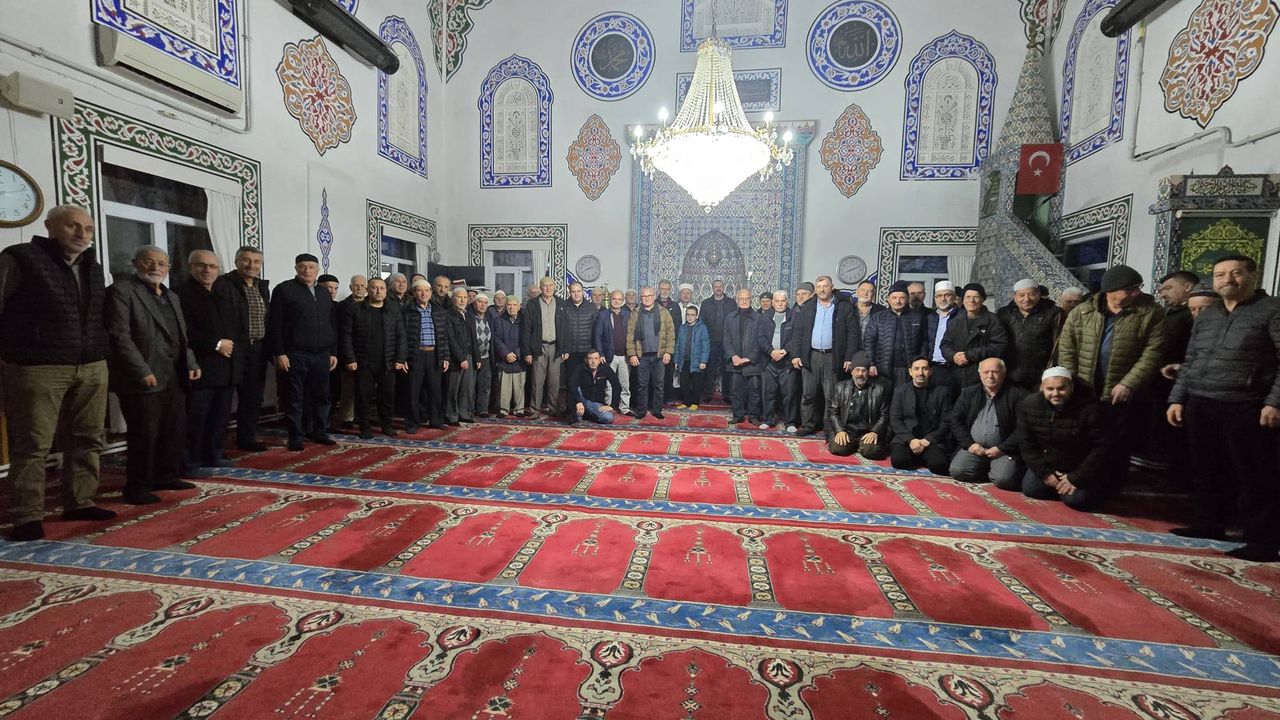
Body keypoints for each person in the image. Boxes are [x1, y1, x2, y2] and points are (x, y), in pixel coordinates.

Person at [0, 205, 117, 540]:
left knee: (88, 437)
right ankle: (27, 516)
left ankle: (80, 501)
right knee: (33, 443)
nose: (82, 234)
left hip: (91, 364)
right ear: (50, 226)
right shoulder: (20, 258)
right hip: (39, 366)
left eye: (88, 228)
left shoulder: (93, 266)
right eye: (73, 226)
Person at [1168, 255, 1280, 562]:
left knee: (1255, 475)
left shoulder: (1272, 310)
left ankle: (1262, 540)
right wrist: (1177, 398)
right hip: (1201, 401)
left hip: (1247, 404)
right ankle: (1209, 523)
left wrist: (1274, 402)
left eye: (1236, 273)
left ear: (1253, 275)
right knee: (1206, 469)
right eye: (1220, 275)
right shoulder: (1209, 314)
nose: (1227, 279)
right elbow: (1192, 359)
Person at [106, 246, 200, 504]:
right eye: (148, 261)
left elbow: (181, 335)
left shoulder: (171, 296)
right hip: (142, 376)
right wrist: (141, 370)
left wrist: (191, 361)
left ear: (168, 268)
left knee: (173, 429)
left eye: (161, 263)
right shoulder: (122, 291)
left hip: (174, 374)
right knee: (144, 434)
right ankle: (137, 486)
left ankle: (166, 476)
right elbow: (119, 336)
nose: (155, 267)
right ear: (136, 263)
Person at [1058, 264, 1165, 483]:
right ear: (1110, 290)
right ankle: (1081, 481)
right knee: (1085, 438)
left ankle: (1111, 486)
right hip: (1086, 390)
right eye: (1130, 289)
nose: (1137, 293)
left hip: (1122, 392)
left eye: (1138, 287)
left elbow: (1153, 353)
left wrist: (1129, 384)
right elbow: (1067, 349)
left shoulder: (1150, 313)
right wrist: (1071, 383)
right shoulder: (1082, 312)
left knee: (1117, 443)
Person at [176, 250, 244, 475]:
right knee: (197, 417)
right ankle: (190, 460)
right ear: (190, 268)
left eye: (213, 266)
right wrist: (216, 344)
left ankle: (213, 454)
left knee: (219, 417)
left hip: (226, 368)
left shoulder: (220, 295)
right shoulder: (181, 296)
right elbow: (183, 332)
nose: (207, 270)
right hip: (200, 367)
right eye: (202, 265)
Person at [1015, 367, 1112, 511]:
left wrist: (1075, 478)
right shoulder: (1029, 405)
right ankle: (1061, 488)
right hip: (1050, 464)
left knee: (1077, 500)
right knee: (1032, 489)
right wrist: (1046, 473)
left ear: (1071, 387)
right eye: (1050, 389)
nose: (1055, 394)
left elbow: (1102, 447)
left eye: (1061, 389)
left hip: (1080, 467)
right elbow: (1026, 443)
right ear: (1042, 388)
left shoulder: (1090, 408)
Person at [269, 253, 339, 451]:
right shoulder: (284, 290)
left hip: (322, 354)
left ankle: (319, 431)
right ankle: (295, 436)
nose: (307, 270)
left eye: (311, 267)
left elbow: (331, 324)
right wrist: (280, 353)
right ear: (296, 268)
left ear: (318, 269)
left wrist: (333, 352)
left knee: (322, 396)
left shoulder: (324, 293)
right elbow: (275, 324)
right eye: (302, 266)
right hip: (295, 354)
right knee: (294, 397)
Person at [791, 276, 860, 436]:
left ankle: (829, 428)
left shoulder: (843, 307)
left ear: (832, 287)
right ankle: (808, 425)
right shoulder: (808, 307)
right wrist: (796, 355)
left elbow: (853, 334)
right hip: (811, 356)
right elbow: (797, 333)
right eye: (819, 287)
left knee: (831, 395)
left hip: (832, 357)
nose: (822, 289)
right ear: (815, 290)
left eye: (825, 286)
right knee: (808, 394)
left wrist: (849, 357)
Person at [341, 278, 408, 439]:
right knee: (363, 397)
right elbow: (346, 336)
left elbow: (401, 335)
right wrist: (350, 359)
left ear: (386, 290)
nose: (378, 291)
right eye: (374, 288)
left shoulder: (393, 310)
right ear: (367, 290)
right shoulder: (356, 309)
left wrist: (400, 359)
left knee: (387, 397)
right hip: (363, 361)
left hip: (387, 362)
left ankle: (387, 425)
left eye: (382, 288)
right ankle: (365, 428)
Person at [948, 358, 1027, 486]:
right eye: (986, 372)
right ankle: (987, 469)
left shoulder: (1017, 396)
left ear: (1003, 373)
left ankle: (993, 469)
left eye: (995, 372)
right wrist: (970, 445)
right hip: (974, 447)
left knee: (1004, 479)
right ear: (979, 374)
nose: (990, 376)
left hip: (1003, 450)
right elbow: (955, 420)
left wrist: (1001, 448)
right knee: (958, 471)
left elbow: (1023, 428)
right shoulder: (969, 393)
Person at [222, 246, 270, 452]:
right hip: (232, 350)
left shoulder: (261, 286)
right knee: (223, 398)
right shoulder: (224, 284)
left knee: (253, 397)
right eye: (246, 260)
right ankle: (215, 443)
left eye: (256, 261)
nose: (251, 265)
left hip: (257, 349)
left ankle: (246, 438)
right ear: (236, 261)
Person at [888, 357, 953, 475]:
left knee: (939, 465)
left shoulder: (942, 392)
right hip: (906, 438)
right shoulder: (900, 391)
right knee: (899, 461)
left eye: (924, 369)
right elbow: (895, 420)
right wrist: (911, 440)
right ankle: (921, 456)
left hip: (931, 440)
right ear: (910, 371)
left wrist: (928, 440)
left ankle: (922, 456)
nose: (920, 373)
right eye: (916, 369)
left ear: (930, 371)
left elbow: (946, 421)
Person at [942, 283, 1009, 390]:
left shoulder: (993, 321)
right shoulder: (955, 320)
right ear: (963, 300)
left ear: (983, 299)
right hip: (956, 375)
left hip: (982, 375)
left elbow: (999, 346)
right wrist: (953, 356)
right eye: (968, 297)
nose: (971, 300)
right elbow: (945, 344)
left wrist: (969, 355)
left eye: (976, 297)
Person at [997, 279, 1061, 392]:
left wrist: (1050, 374)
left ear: (1039, 294)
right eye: (1021, 295)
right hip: (1009, 374)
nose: (1026, 299)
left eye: (1031, 294)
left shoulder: (1053, 313)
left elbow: (1058, 346)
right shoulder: (1004, 313)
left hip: (1040, 375)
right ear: (1014, 297)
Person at [825, 351, 891, 459]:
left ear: (868, 372)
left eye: (863, 370)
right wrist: (840, 431)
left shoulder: (879, 389)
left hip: (867, 432)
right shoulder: (840, 387)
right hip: (847, 430)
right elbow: (833, 412)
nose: (860, 374)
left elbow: (884, 414)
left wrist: (875, 432)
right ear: (851, 371)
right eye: (857, 370)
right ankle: (857, 445)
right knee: (838, 448)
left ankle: (859, 445)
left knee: (871, 451)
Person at [404, 278, 449, 431]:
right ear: (414, 292)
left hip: (434, 354)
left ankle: (435, 420)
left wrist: (445, 357)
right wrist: (403, 358)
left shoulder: (439, 311)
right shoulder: (406, 311)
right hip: (415, 355)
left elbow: (444, 336)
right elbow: (402, 336)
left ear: (431, 292)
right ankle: (412, 423)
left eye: (426, 290)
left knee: (435, 390)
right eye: (420, 290)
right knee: (412, 392)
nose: (423, 294)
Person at [866, 280, 929, 388]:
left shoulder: (917, 317)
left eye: (902, 298)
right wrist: (871, 364)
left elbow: (924, 341)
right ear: (888, 299)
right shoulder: (878, 317)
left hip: (908, 369)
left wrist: (921, 364)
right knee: (883, 396)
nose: (898, 301)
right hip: (882, 369)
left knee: (904, 396)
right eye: (894, 298)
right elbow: (869, 342)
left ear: (907, 299)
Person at [628, 286, 675, 419]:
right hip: (642, 356)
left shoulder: (664, 312)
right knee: (642, 385)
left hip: (659, 356)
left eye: (649, 296)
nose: (646, 298)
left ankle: (657, 410)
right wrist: (632, 354)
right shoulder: (635, 313)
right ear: (641, 298)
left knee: (659, 385)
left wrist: (668, 352)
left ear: (654, 297)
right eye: (644, 296)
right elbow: (630, 335)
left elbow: (671, 333)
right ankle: (641, 410)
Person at [522, 276, 565, 416]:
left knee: (554, 382)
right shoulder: (532, 304)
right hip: (538, 347)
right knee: (537, 381)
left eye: (551, 285)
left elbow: (565, 328)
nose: (548, 288)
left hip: (555, 347)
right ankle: (534, 410)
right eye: (545, 285)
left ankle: (553, 409)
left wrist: (565, 348)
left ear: (555, 287)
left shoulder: (561, 303)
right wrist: (527, 352)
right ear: (540, 288)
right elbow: (526, 329)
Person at [757, 290, 798, 432]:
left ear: (787, 302)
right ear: (773, 303)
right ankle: (768, 420)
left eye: (783, 301)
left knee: (789, 394)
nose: (780, 304)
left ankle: (790, 422)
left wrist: (784, 351)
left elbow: (796, 337)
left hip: (787, 362)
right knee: (768, 392)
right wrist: (771, 351)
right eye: (777, 301)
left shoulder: (795, 316)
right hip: (769, 361)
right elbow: (760, 337)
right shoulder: (764, 317)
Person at [723, 288, 763, 424]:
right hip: (735, 361)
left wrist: (750, 358)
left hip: (752, 362)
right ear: (737, 300)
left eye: (747, 298)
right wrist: (733, 356)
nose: (744, 301)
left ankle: (753, 416)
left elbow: (761, 340)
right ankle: (737, 415)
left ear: (751, 300)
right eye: (741, 299)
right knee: (735, 390)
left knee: (754, 391)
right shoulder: (730, 317)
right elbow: (726, 339)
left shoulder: (758, 318)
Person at [443, 287, 479, 425]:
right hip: (455, 359)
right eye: (459, 297)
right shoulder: (448, 315)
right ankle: (451, 415)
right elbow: (450, 339)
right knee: (452, 389)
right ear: (453, 299)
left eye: (465, 297)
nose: (462, 300)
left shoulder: (469, 316)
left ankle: (464, 413)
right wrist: (461, 358)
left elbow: (473, 338)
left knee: (466, 388)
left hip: (469, 356)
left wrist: (477, 357)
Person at [596, 289, 632, 414]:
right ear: (610, 300)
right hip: (609, 355)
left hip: (624, 356)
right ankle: (607, 407)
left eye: (619, 299)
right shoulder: (603, 315)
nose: (616, 301)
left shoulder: (628, 315)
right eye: (614, 299)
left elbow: (632, 335)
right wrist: (601, 353)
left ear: (623, 301)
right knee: (608, 385)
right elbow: (598, 336)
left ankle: (624, 408)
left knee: (625, 384)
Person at [560, 282, 598, 401]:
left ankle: (587, 407)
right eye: (573, 291)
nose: (576, 294)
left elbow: (596, 331)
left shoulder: (591, 307)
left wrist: (595, 351)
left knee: (586, 381)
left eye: (578, 291)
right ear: (569, 292)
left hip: (587, 351)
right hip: (570, 352)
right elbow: (560, 329)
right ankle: (571, 408)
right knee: (571, 381)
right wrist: (563, 349)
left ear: (583, 292)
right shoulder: (563, 306)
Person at [700, 279, 734, 402]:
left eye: (720, 286)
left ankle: (727, 395)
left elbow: (734, 322)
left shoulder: (731, 303)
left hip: (727, 342)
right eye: (716, 286)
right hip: (711, 341)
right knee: (710, 368)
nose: (718, 288)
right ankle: (708, 394)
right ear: (712, 288)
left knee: (727, 369)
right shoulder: (706, 303)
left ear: (723, 287)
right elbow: (702, 322)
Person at [492, 295, 526, 417]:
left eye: (514, 305)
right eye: (509, 305)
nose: (511, 307)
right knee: (503, 387)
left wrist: (516, 353)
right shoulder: (498, 320)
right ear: (505, 306)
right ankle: (503, 409)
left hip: (519, 359)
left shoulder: (524, 321)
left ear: (519, 307)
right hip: (504, 359)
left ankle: (519, 409)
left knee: (519, 386)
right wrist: (505, 353)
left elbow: (525, 339)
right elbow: (496, 339)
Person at [924, 281, 960, 395]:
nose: (943, 299)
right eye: (939, 296)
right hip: (933, 367)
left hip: (954, 368)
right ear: (935, 298)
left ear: (954, 297)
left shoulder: (962, 316)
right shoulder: (930, 317)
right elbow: (925, 341)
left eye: (947, 295)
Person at [569, 349, 621, 426]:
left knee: (608, 418)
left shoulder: (605, 368)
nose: (593, 361)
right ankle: (578, 414)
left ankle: (587, 413)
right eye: (590, 358)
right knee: (575, 388)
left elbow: (617, 386)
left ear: (599, 360)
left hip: (596, 404)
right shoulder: (580, 368)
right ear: (586, 360)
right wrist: (578, 402)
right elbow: (572, 385)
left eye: (596, 358)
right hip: (582, 399)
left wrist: (613, 406)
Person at [675, 304, 710, 409]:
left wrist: (703, 361)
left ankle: (695, 403)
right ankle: (686, 402)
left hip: (697, 360)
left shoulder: (702, 328)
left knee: (696, 384)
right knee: (684, 383)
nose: (690, 317)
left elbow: (706, 345)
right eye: (688, 314)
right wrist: (676, 360)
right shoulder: (682, 328)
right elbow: (678, 345)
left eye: (692, 315)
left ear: (697, 316)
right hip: (684, 360)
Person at [469, 293, 494, 418]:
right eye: (480, 302)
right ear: (474, 304)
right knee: (471, 385)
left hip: (486, 357)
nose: (483, 305)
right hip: (473, 357)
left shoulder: (489, 318)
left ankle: (482, 409)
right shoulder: (469, 318)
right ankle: (470, 410)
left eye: (485, 303)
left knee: (485, 385)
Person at [853, 280, 885, 348]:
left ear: (873, 295)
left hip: (872, 350)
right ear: (857, 292)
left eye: (869, 291)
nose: (865, 293)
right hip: (850, 351)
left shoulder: (881, 311)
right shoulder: (848, 309)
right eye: (862, 290)